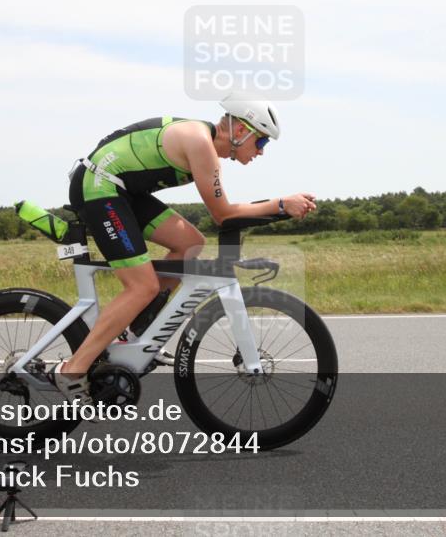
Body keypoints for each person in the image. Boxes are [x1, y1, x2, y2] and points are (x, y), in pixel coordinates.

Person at [50, 98, 317, 406]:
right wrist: (281, 204)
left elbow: (224, 212)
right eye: (261, 141)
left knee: (190, 243)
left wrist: (279, 207)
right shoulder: (201, 144)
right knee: (142, 286)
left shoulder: (204, 144)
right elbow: (224, 215)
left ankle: (137, 333)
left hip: (120, 189)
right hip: (100, 186)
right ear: (241, 130)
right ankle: (73, 370)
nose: (260, 151)